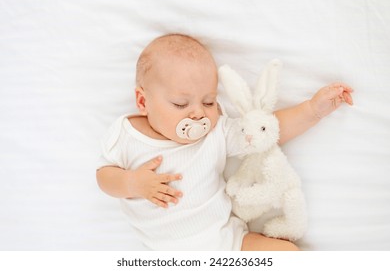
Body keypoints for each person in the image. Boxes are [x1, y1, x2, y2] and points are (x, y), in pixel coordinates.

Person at [96, 33, 353, 251]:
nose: (197, 113)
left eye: (208, 102)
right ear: (143, 102)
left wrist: (312, 110)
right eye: (180, 104)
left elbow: (266, 131)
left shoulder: (216, 132)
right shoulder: (127, 134)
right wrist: (133, 183)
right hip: (167, 256)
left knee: (287, 253)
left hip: (228, 243)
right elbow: (104, 176)